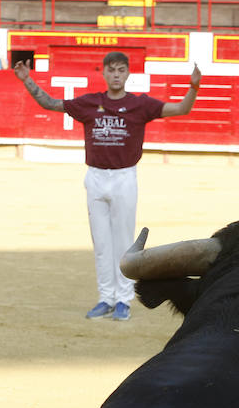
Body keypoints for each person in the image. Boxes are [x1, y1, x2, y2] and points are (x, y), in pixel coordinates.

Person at [13, 51, 202, 321]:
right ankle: (106, 298)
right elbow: (50, 104)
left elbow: (182, 109)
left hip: (125, 177)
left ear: (127, 74)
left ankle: (123, 300)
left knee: (123, 242)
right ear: (104, 73)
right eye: (111, 70)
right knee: (101, 243)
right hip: (96, 177)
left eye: (120, 70)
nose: (116, 74)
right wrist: (26, 80)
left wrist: (193, 86)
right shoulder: (90, 103)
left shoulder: (141, 105)